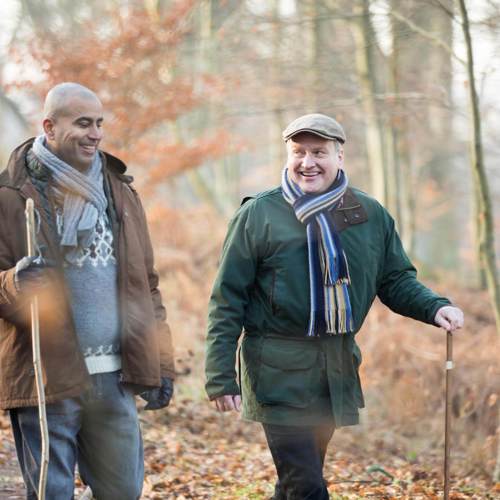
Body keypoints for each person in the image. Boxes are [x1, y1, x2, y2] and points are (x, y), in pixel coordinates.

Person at [205, 113, 464, 499]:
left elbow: (393, 279)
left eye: (319, 152)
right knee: (307, 486)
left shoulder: (369, 215)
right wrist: (220, 373)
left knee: (294, 482)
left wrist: (433, 307)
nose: (307, 162)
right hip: (276, 370)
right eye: (299, 152)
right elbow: (228, 298)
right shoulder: (259, 213)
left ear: (339, 157)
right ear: (287, 156)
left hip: (334, 369)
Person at [0, 82, 175, 499]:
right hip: (46, 374)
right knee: (51, 493)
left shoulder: (121, 193)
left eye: (99, 123)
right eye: (83, 123)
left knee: (123, 492)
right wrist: (13, 285)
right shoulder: (10, 197)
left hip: (115, 378)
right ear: (50, 126)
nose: (95, 133)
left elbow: (146, 286)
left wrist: (161, 362)